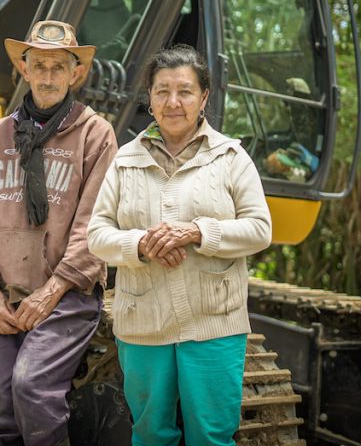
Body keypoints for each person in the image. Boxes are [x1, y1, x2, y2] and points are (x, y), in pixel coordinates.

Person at [87, 44, 272, 446]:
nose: (174, 102)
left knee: (211, 435)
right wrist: (141, 244)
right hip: (142, 322)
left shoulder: (231, 157)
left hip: (213, 324)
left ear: (204, 98)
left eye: (185, 91)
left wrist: (197, 233)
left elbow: (259, 229)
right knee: (151, 433)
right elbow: (97, 234)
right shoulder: (124, 160)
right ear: (150, 100)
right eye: (162, 91)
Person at [0, 20, 117, 446]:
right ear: (24, 70)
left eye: (58, 67)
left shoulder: (95, 134)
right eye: (39, 65)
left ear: (76, 74)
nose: (48, 76)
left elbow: (94, 224)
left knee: (32, 388)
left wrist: (50, 292)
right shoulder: (1, 134)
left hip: (66, 297)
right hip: (7, 298)